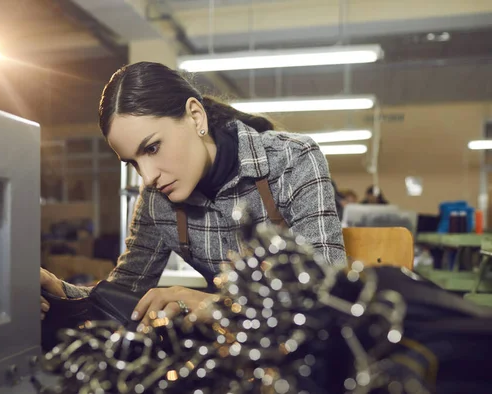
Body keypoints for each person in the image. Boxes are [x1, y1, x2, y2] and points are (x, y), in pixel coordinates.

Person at [40, 61, 346, 329]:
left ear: (195, 116)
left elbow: (329, 294)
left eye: (153, 148)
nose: (147, 176)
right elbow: (123, 291)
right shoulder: (157, 201)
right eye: (133, 162)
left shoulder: (292, 160)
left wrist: (215, 306)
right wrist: (65, 292)